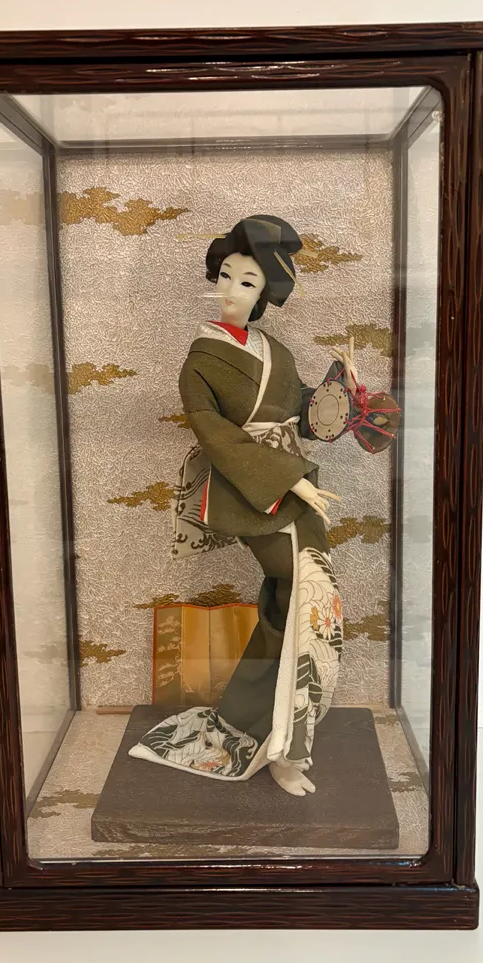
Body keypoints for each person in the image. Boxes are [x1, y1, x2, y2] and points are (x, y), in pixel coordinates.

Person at [129, 215, 361, 796]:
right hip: (257, 492)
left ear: (264, 296)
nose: (231, 290)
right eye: (226, 276)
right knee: (303, 603)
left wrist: (343, 390)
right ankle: (281, 744)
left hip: (294, 487)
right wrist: (288, 481)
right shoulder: (200, 360)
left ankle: (255, 724)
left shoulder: (272, 349)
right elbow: (217, 436)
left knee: (292, 606)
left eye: (248, 282)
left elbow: (303, 413)